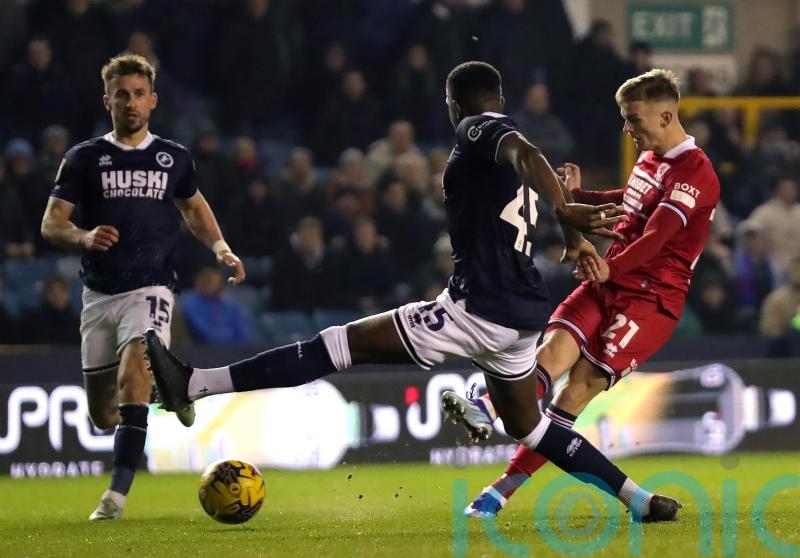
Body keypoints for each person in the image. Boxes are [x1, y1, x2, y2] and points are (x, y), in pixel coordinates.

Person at [145, 61, 680, 523]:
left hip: (476, 309)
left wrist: (565, 211)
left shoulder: (479, 129)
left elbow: (521, 151)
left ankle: (192, 384)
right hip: (521, 317)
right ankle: (638, 499)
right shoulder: (510, 143)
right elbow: (528, 158)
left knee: (334, 345)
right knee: (529, 426)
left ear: (454, 103)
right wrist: (567, 227)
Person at [442, 68, 720, 517]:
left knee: (574, 394)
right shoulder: (650, 159)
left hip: (650, 301)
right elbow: (628, 202)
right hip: (609, 281)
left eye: (634, 119)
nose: (627, 128)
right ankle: (487, 404)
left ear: (667, 116)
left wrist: (610, 265)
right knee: (550, 356)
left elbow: (657, 237)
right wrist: (578, 195)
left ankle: (499, 491)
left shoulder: (696, 173)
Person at [40, 54, 245, 521]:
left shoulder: (173, 157)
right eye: (121, 94)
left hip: (151, 287)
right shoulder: (84, 158)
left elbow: (194, 209)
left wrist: (221, 248)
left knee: (135, 371)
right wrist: (83, 236)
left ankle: (114, 499)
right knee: (104, 415)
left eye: (138, 94)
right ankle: (170, 391)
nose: (130, 103)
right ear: (107, 100)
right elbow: (52, 223)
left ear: (152, 101)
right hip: (99, 294)